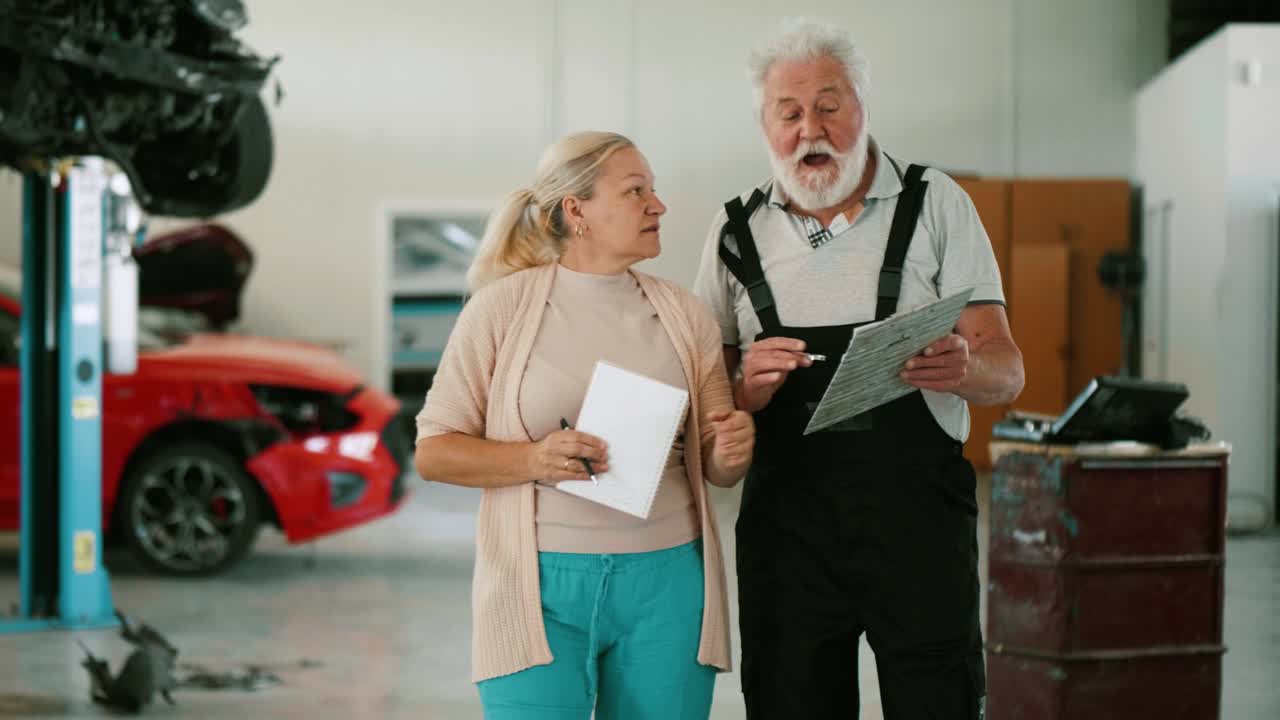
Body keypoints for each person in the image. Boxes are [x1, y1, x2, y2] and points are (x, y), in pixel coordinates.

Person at [693, 17, 1025, 720]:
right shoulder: (734, 234)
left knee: (938, 697)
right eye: (788, 113)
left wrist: (964, 369)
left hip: (917, 525)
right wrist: (745, 390)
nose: (809, 129)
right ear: (765, 126)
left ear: (863, 108)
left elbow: (1008, 372)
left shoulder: (937, 205)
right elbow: (705, 398)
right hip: (788, 536)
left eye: (829, 105)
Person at [414, 130, 754, 720]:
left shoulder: (684, 314)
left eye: (654, 189)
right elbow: (434, 452)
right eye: (635, 191)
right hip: (535, 588)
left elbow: (717, 467)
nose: (658, 205)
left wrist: (733, 447)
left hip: (668, 583)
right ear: (577, 211)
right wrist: (530, 459)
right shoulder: (500, 309)